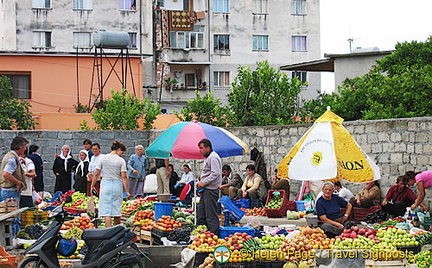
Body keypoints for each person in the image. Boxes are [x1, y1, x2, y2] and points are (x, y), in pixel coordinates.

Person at [91, 141, 130, 227]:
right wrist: (127, 191)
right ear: (118, 149)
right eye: (121, 153)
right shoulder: (121, 160)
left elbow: (96, 173)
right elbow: (124, 176)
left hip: (105, 184)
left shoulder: (103, 158)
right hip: (117, 185)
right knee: (117, 210)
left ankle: (108, 231)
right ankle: (117, 231)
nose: (121, 155)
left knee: (106, 210)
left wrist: (92, 185)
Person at [0, 136, 29, 237]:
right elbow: (6, 174)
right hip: (10, 192)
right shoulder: (12, 159)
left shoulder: (11, 156)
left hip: (8, 191)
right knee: (13, 218)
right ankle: (13, 240)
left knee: (12, 217)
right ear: (20, 147)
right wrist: (18, 182)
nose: (25, 149)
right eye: (24, 146)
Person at [196, 138, 222, 235]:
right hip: (206, 190)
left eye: (201, 148)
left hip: (211, 190)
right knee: (201, 215)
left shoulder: (213, 157)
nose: (200, 150)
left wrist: (204, 182)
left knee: (211, 215)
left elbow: (215, 173)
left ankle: (214, 235)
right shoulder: (208, 157)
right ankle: (204, 233)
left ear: (208, 148)